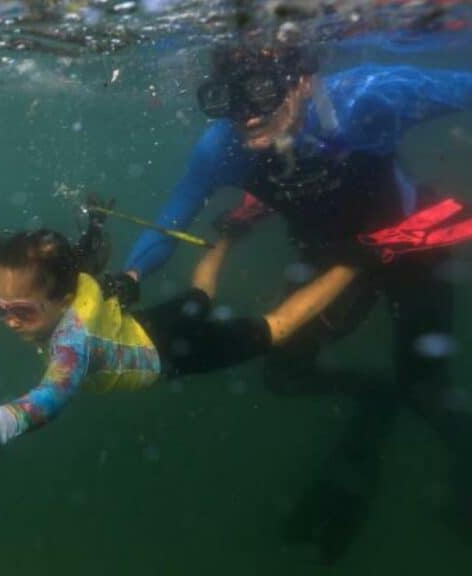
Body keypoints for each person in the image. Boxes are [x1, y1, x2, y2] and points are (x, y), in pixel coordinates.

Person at [118, 41, 472, 562]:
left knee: (425, 389)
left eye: (261, 91)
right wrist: (128, 275)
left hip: (409, 250)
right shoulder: (221, 149)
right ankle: (375, 398)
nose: (246, 114)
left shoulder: (370, 99)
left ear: (304, 80)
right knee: (284, 375)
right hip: (329, 261)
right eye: (227, 98)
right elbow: (174, 216)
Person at [0, 223, 358, 484]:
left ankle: (359, 261)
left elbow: (52, 394)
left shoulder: (72, 343)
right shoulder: (70, 278)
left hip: (170, 356)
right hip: (141, 327)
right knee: (202, 297)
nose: (8, 320)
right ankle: (231, 231)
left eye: (22, 311)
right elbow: (84, 260)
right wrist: (96, 225)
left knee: (276, 329)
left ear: (63, 299)